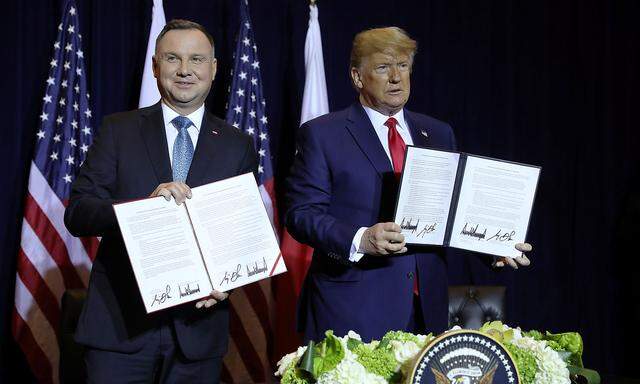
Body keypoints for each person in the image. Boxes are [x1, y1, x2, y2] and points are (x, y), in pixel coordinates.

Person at [285, 27, 530, 343]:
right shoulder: (323, 134)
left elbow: (452, 212)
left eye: (402, 65)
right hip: (354, 309)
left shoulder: (439, 133)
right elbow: (301, 214)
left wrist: (493, 247)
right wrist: (361, 238)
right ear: (358, 77)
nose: (396, 77)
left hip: (426, 309)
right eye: (383, 67)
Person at [64, 19, 257, 383]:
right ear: (156, 66)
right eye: (173, 58)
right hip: (121, 330)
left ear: (213, 69)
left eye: (197, 60)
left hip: (198, 335)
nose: (185, 70)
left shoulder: (237, 144)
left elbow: (242, 232)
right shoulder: (118, 130)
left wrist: (229, 280)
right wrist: (143, 211)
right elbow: (79, 213)